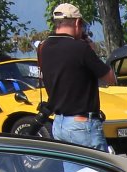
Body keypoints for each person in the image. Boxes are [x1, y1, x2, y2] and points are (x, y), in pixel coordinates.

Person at [35, 3, 113, 152]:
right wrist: (91, 51)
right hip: (82, 124)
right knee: (97, 167)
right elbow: (110, 78)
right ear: (77, 22)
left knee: (71, 167)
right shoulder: (81, 48)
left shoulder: (44, 48)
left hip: (59, 123)